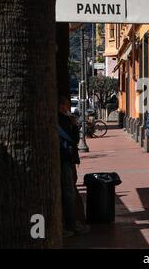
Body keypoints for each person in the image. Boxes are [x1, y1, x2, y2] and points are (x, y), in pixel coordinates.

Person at [58, 96, 90, 238]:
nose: (67, 108)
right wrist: (74, 125)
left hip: (68, 158)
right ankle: (70, 224)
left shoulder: (65, 119)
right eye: (65, 105)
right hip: (66, 157)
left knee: (70, 190)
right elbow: (74, 139)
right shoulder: (62, 120)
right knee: (69, 192)